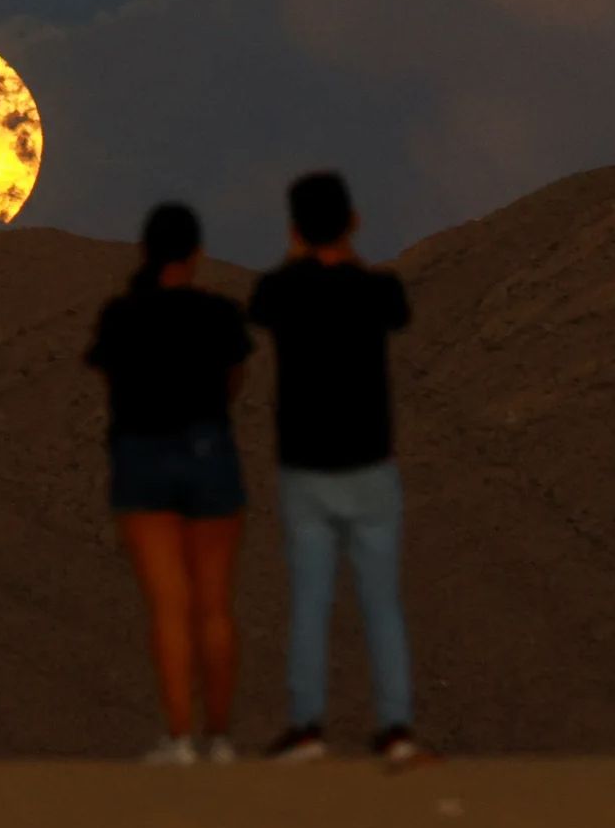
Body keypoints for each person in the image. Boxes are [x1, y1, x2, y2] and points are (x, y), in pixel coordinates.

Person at [247, 172, 431, 768]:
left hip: (306, 468)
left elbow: (264, 303)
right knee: (381, 602)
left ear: (295, 228)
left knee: (310, 602)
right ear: (352, 221)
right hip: (371, 465)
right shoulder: (379, 291)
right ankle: (396, 727)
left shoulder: (280, 291)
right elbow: (394, 310)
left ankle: (306, 728)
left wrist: (300, 252)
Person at [87, 204, 252, 766]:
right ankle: (222, 739)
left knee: (168, 606)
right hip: (208, 451)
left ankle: (180, 738)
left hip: (143, 455)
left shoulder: (122, 316)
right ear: (196, 254)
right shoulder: (220, 314)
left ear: (146, 252)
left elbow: (110, 378)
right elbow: (235, 378)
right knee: (213, 603)